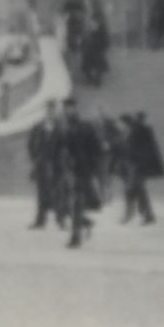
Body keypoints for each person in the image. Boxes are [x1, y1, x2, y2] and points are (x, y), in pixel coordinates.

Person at [58, 97, 104, 249]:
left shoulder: (84, 127)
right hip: (65, 171)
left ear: (75, 109)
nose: (67, 111)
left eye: (70, 108)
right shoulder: (62, 127)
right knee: (65, 205)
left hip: (81, 171)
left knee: (77, 203)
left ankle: (75, 237)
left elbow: (96, 149)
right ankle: (87, 223)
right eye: (66, 108)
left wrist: (91, 168)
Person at [122, 111, 164, 225]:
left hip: (137, 166)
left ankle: (134, 213)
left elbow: (138, 149)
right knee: (138, 190)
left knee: (132, 190)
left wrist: (136, 163)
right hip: (135, 165)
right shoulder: (136, 131)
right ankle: (146, 214)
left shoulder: (139, 131)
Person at [27, 100, 64, 229]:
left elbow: (65, 145)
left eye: (52, 110)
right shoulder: (37, 127)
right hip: (41, 164)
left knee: (58, 192)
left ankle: (60, 220)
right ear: (45, 112)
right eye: (48, 110)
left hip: (56, 165)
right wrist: (35, 159)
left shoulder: (61, 127)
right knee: (41, 192)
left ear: (56, 112)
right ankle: (40, 220)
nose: (50, 113)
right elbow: (31, 145)